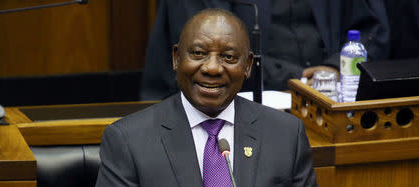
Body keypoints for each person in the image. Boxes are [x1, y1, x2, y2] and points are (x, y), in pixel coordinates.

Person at [91, 8, 336, 187]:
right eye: (197, 53)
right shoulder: (129, 138)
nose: (212, 68)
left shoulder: (284, 134)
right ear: (175, 58)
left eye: (229, 58)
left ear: (248, 66)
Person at [140, 0, 390, 100]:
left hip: (331, 102)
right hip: (230, 105)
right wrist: (303, 78)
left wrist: (335, 68)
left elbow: (373, 29)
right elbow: (206, 53)